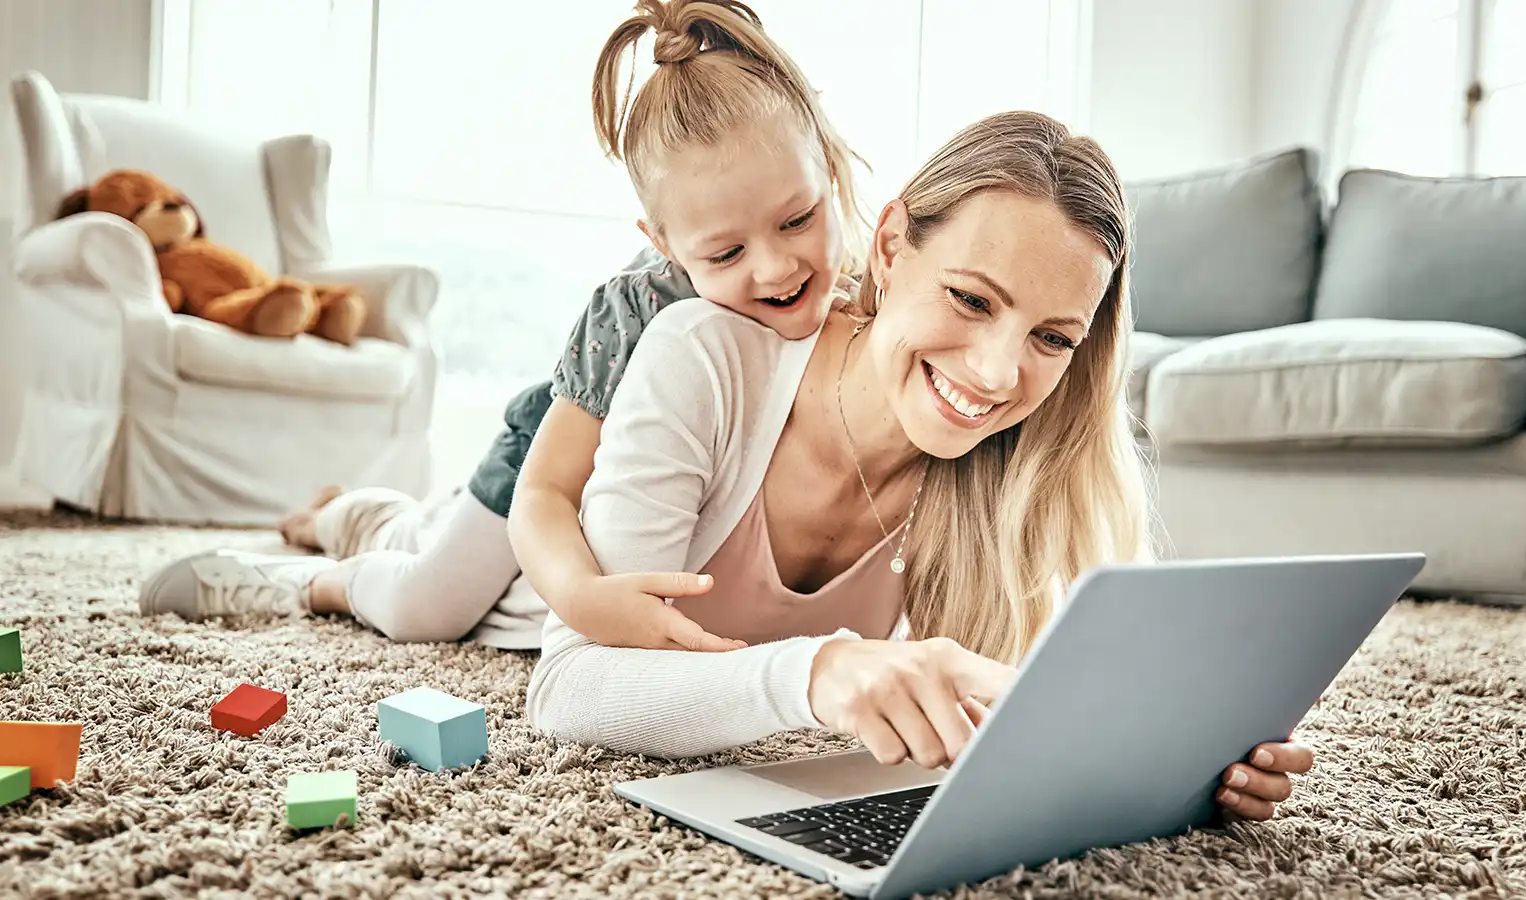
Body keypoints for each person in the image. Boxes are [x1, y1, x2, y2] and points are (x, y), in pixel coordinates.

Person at [520, 108, 1314, 823]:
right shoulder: (701, 354)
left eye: (1051, 338)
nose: (998, 376)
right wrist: (820, 672)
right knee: (426, 590)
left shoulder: (1012, 472)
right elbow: (568, 689)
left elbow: (1050, 702)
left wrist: (1190, 759)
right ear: (892, 246)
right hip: (516, 576)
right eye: (972, 300)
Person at [141, 0, 861, 653]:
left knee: (454, 562)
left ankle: (364, 513)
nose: (775, 268)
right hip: (545, 464)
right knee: (432, 607)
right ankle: (311, 576)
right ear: (665, 242)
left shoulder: (865, 290)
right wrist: (580, 595)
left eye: (798, 219)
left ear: (827, 170)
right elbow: (544, 494)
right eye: (727, 253)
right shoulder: (639, 306)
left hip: (667, 494)